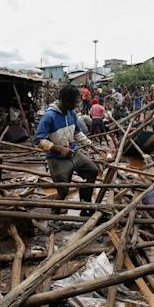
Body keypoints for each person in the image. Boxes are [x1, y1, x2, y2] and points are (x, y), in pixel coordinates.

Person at [34, 85, 99, 216]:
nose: (76, 105)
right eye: (75, 102)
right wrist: (57, 148)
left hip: (73, 153)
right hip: (56, 158)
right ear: (65, 100)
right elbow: (38, 140)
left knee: (93, 171)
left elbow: (77, 132)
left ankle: (85, 206)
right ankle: (54, 215)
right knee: (63, 191)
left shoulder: (71, 113)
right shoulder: (49, 116)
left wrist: (89, 144)